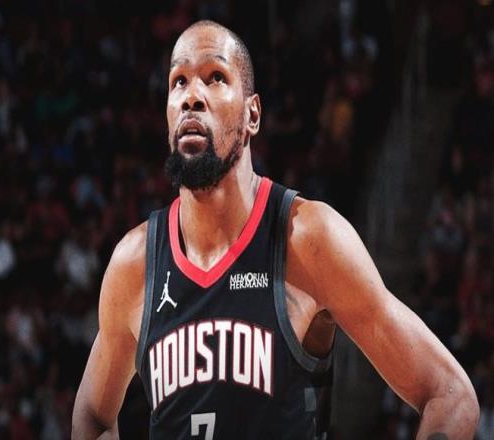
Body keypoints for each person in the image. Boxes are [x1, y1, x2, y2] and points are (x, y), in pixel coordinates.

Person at [72, 20, 479, 439]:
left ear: (252, 114)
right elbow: (92, 415)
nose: (192, 96)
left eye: (215, 77)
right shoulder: (136, 263)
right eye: (179, 81)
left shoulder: (308, 239)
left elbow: (450, 395)